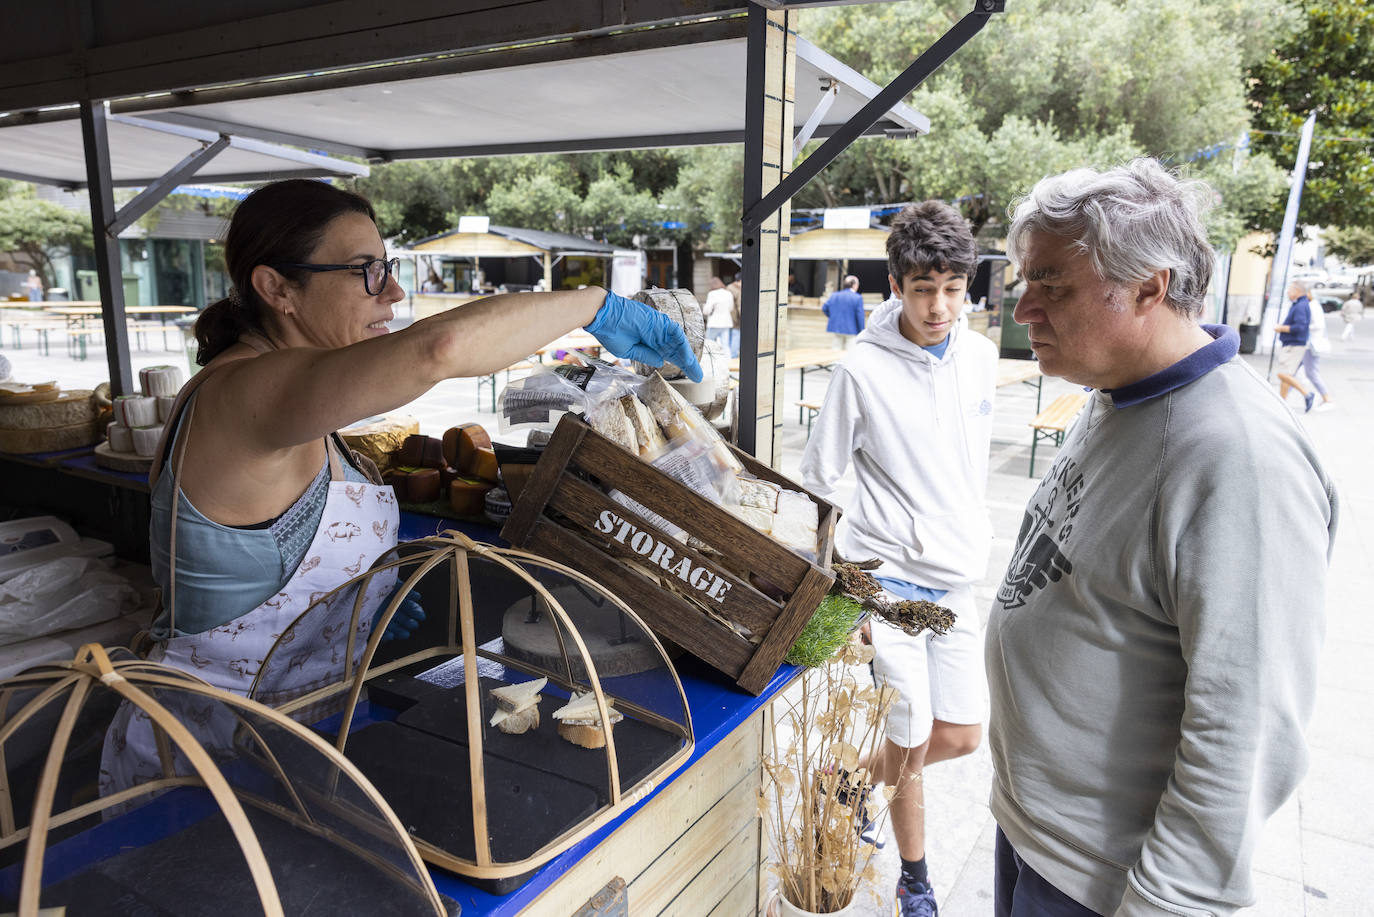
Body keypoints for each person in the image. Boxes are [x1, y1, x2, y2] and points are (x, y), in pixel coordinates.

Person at [100, 179, 701, 789]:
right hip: (208, 762)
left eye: (386, 266)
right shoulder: (240, 395)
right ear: (276, 287)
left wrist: (356, 607)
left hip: (303, 741)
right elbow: (436, 350)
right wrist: (592, 306)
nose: (393, 291)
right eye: (365, 271)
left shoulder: (298, 399)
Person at [987, 159, 1335, 916]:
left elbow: (1246, 728)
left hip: (1104, 882)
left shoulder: (1237, 458)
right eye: (1024, 284)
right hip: (1037, 834)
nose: (1024, 311)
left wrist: (1167, 901)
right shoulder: (1117, 393)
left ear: (1150, 285)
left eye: (1052, 286)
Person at [801, 201, 997, 917]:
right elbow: (817, 486)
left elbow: (966, 472)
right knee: (910, 733)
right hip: (886, 580)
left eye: (952, 288)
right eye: (923, 289)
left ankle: (843, 781)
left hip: (956, 579)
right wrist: (843, 594)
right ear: (895, 284)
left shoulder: (978, 358)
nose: (939, 305)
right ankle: (917, 878)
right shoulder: (860, 371)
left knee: (963, 734)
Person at [1274, 280, 1316, 412]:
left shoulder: (1301, 306)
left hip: (1294, 344)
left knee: (1282, 374)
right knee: (1287, 375)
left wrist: (1281, 328)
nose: (1288, 292)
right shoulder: (1300, 304)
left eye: (1290, 289)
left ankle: (1307, 394)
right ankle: (1281, 404)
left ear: (1297, 291)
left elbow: (1300, 326)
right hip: (1294, 343)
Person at [1300, 301, 1334, 411]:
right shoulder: (1310, 304)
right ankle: (1283, 399)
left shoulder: (1312, 305)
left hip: (1311, 344)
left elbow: (1318, 325)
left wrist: (1304, 326)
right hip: (1307, 344)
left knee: (1311, 373)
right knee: (1290, 373)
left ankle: (1326, 398)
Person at [822, 275, 865, 349]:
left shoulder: (835, 295)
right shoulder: (857, 297)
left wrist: (833, 317)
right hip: (852, 329)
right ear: (854, 285)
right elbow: (860, 315)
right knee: (850, 353)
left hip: (837, 328)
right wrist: (862, 329)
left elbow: (824, 308)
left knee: (835, 352)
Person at [702, 275, 736, 356]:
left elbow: (706, 310)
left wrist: (705, 307)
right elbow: (731, 308)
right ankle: (727, 362)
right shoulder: (728, 293)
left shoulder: (712, 294)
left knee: (709, 344)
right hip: (726, 322)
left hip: (715, 322)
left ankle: (709, 361)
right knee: (725, 345)